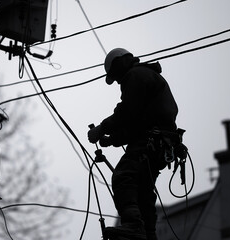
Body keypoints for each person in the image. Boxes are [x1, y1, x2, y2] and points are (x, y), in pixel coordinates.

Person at [88, 48, 180, 240]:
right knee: (143, 190)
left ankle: (133, 225)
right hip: (159, 144)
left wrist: (102, 128)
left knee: (123, 176)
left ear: (120, 63)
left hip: (152, 141)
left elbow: (127, 111)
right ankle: (148, 234)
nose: (118, 82)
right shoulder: (144, 75)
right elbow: (136, 123)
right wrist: (111, 139)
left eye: (115, 76)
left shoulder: (135, 75)